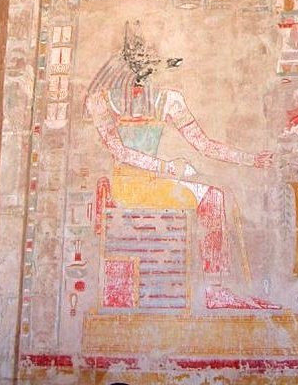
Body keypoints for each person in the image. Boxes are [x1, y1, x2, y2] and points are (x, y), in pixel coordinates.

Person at [86, 21, 277, 309]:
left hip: (155, 182)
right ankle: (214, 290)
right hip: (126, 186)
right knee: (212, 197)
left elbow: (204, 145)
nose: (145, 75)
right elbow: (120, 152)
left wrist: (251, 159)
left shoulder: (169, 100)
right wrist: (169, 168)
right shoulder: (99, 101)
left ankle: (216, 288)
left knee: (216, 195)